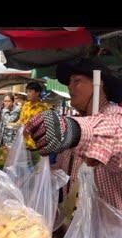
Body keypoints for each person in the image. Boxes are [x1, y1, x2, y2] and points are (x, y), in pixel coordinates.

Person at [24, 58, 122, 212]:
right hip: (73, 227)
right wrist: (38, 178)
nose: (70, 87)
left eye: (77, 81)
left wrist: (71, 131)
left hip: (109, 231)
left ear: (99, 83)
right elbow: (65, 170)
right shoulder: (78, 120)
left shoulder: (116, 118)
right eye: (69, 82)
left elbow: (113, 136)